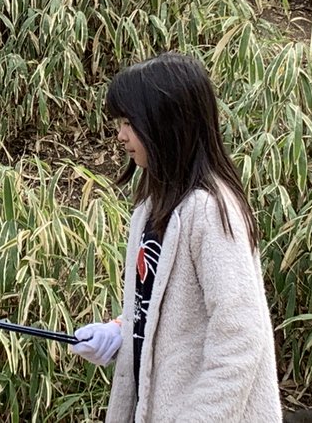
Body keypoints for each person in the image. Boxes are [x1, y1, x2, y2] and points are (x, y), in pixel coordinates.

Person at [69, 53, 282, 422]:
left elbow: (240, 336)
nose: (120, 135)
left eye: (128, 123)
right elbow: (162, 311)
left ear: (165, 122)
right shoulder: (150, 209)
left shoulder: (210, 210)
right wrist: (121, 331)